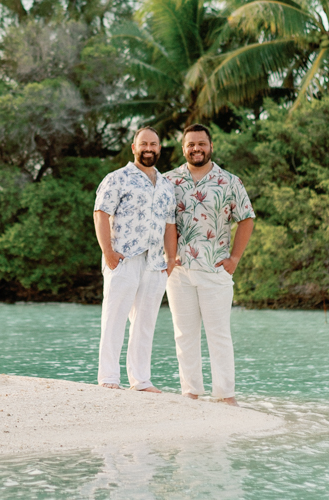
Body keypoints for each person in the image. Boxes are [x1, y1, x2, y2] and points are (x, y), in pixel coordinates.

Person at [165, 124, 255, 405]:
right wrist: (168, 257)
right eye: (191, 144)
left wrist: (234, 259)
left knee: (219, 335)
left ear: (210, 146)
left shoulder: (229, 181)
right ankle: (190, 392)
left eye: (201, 143)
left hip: (216, 270)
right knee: (184, 334)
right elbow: (162, 222)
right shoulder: (168, 181)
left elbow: (246, 219)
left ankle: (225, 395)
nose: (196, 148)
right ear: (183, 148)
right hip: (179, 272)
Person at [92, 127, 176, 391]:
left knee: (145, 323)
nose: (148, 148)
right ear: (134, 148)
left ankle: (140, 380)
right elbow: (100, 214)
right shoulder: (117, 178)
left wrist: (171, 259)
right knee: (114, 318)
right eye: (143, 144)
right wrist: (108, 252)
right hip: (124, 259)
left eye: (153, 144)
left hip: (155, 263)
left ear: (159, 148)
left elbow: (170, 225)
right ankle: (108, 378)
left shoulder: (166, 185)